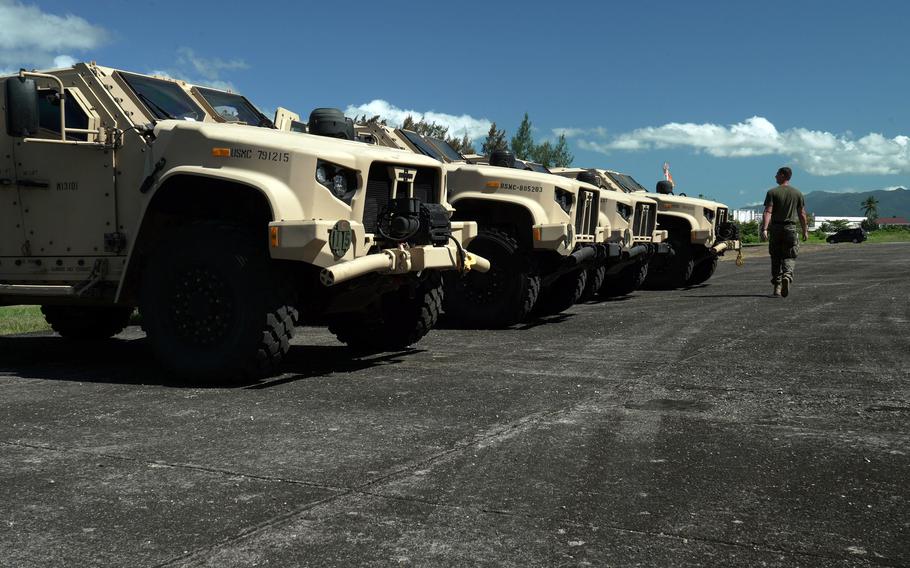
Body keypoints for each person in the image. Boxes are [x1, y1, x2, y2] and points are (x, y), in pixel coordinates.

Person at [761, 167, 809, 297]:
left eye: (777, 174)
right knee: (789, 255)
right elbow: (802, 213)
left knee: (775, 257)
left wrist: (765, 229)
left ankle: (777, 286)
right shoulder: (797, 193)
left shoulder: (772, 192)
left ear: (783, 175)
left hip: (776, 228)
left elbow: (768, 211)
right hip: (790, 229)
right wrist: (805, 230)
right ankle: (787, 276)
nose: (775, 176)